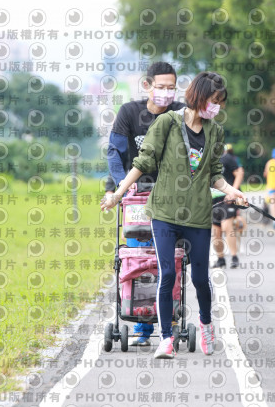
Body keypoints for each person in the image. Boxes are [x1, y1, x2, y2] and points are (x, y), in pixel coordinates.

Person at [101, 72, 247, 360]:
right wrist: (118, 194)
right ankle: (166, 339)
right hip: (165, 213)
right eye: (214, 100)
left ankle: (206, 324)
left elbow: (214, 174)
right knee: (167, 273)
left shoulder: (215, 132)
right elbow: (143, 162)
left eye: (220, 102)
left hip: (197, 215)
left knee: (200, 278)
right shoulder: (167, 122)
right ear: (199, 96)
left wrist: (233, 191)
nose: (217, 107)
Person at [107, 62, 185, 346]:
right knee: (140, 256)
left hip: (172, 197)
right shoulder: (129, 112)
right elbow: (115, 153)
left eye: (171, 87)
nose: (166, 92)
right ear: (147, 86)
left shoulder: (181, 113)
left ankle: (167, 320)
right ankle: (142, 326)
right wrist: (122, 185)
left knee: (170, 258)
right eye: (161, 86)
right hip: (137, 196)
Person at [211, 144, 245, 269]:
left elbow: (240, 173)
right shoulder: (206, 159)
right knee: (216, 231)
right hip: (213, 200)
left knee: (227, 226)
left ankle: (234, 257)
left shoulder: (227, 158)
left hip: (228, 199)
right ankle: (220, 259)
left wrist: (233, 192)